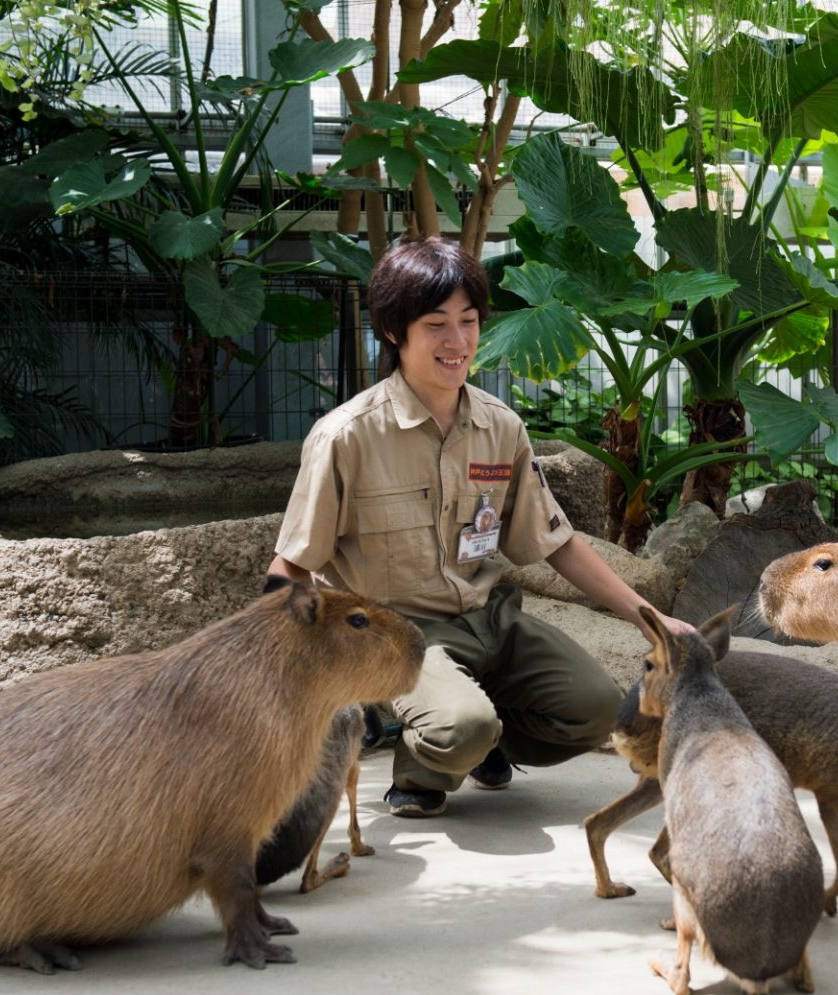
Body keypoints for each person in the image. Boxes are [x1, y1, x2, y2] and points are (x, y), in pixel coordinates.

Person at [269, 237, 693, 817]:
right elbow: (291, 565)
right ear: (394, 332)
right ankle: (428, 764)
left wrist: (651, 620)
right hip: (392, 635)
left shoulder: (501, 427)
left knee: (600, 710)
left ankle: (481, 738)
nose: (458, 341)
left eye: (468, 322)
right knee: (461, 726)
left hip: (488, 619)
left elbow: (558, 544)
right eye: (436, 325)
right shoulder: (347, 436)